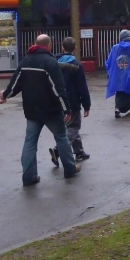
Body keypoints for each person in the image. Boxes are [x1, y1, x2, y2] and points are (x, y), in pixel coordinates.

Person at [0, 34, 80, 186]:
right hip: (51, 110)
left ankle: (29, 177)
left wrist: (6, 95)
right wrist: (67, 109)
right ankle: (69, 169)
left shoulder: (25, 61)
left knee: (30, 142)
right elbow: (58, 89)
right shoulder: (50, 62)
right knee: (61, 138)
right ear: (49, 46)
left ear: (35, 44)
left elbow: (15, 83)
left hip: (32, 110)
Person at [51, 37, 91, 166]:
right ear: (74, 49)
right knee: (74, 126)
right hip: (72, 100)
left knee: (70, 126)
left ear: (62, 47)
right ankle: (58, 150)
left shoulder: (54, 62)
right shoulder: (77, 65)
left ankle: (79, 152)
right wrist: (86, 105)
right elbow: (82, 87)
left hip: (57, 99)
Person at [105, 29, 130, 117]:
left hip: (118, 75)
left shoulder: (115, 48)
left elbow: (109, 62)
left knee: (119, 93)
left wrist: (110, 73)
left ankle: (117, 108)